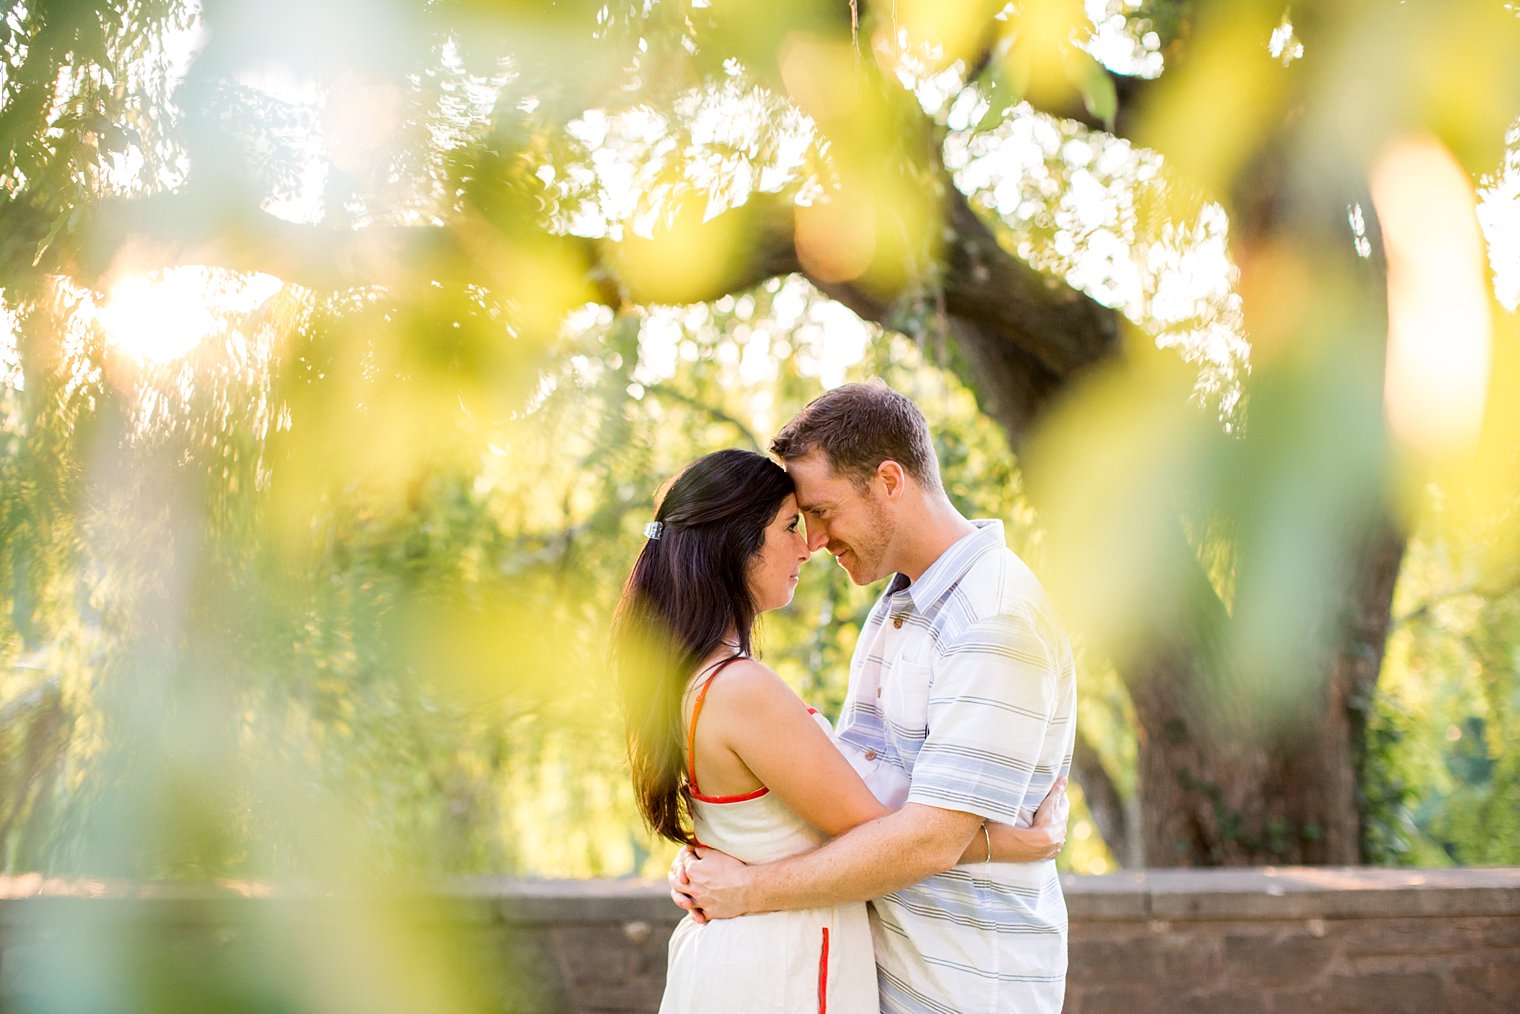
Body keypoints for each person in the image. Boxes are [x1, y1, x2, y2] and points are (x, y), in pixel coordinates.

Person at [613, 448, 1066, 1014]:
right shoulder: (740, 687)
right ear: (735, 542)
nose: (809, 546)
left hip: (745, 962)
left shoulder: (691, 674)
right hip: (778, 972)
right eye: (790, 525)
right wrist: (1016, 841)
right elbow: (881, 834)